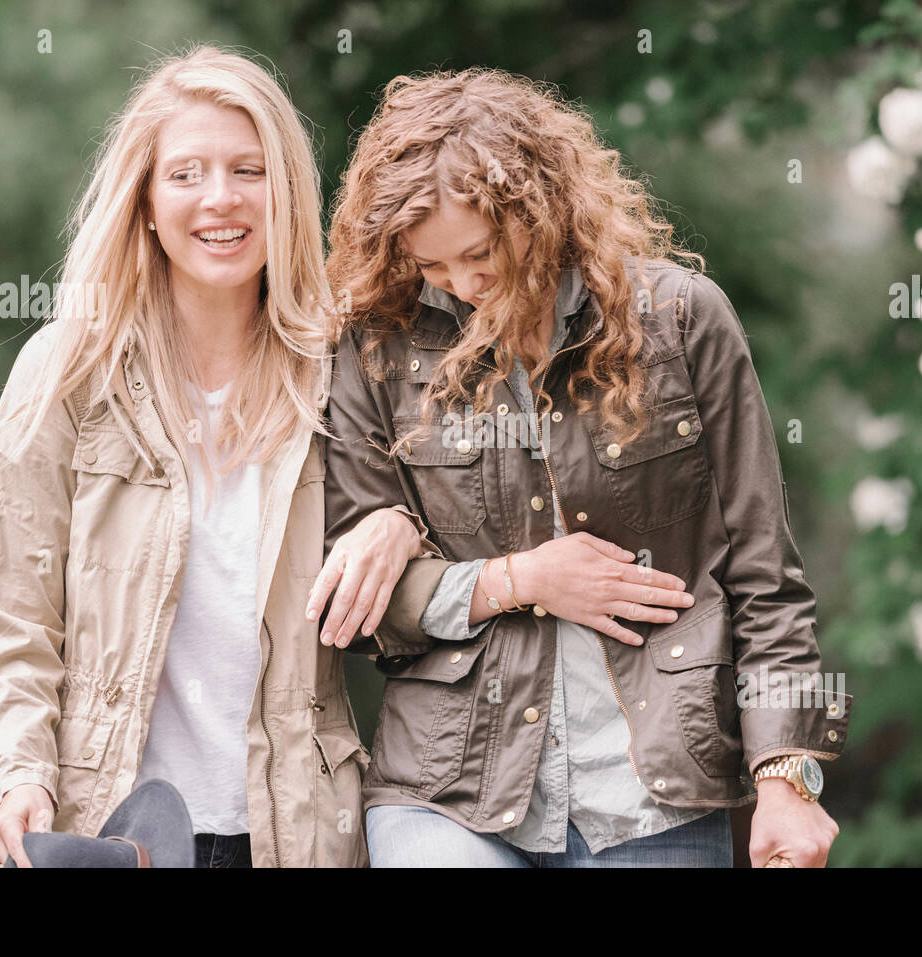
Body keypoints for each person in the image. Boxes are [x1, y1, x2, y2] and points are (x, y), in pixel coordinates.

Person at [314, 67, 852, 867]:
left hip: (651, 799)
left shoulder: (680, 320)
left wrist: (787, 779)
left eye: (481, 254)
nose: (462, 287)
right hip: (446, 790)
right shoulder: (376, 350)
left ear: (541, 206)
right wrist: (521, 578)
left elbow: (766, 579)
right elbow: (367, 609)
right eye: (432, 268)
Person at [0, 45, 426, 869]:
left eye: (249, 169)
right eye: (187, 173)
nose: (221, 199)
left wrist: (401, 525)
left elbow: (433, 581)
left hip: (300, 833)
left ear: (287, 192)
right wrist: (16, 774)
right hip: (106, 830)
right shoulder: (68, 372)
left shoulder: (350, 368)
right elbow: (1, 619)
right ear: (147, 202)